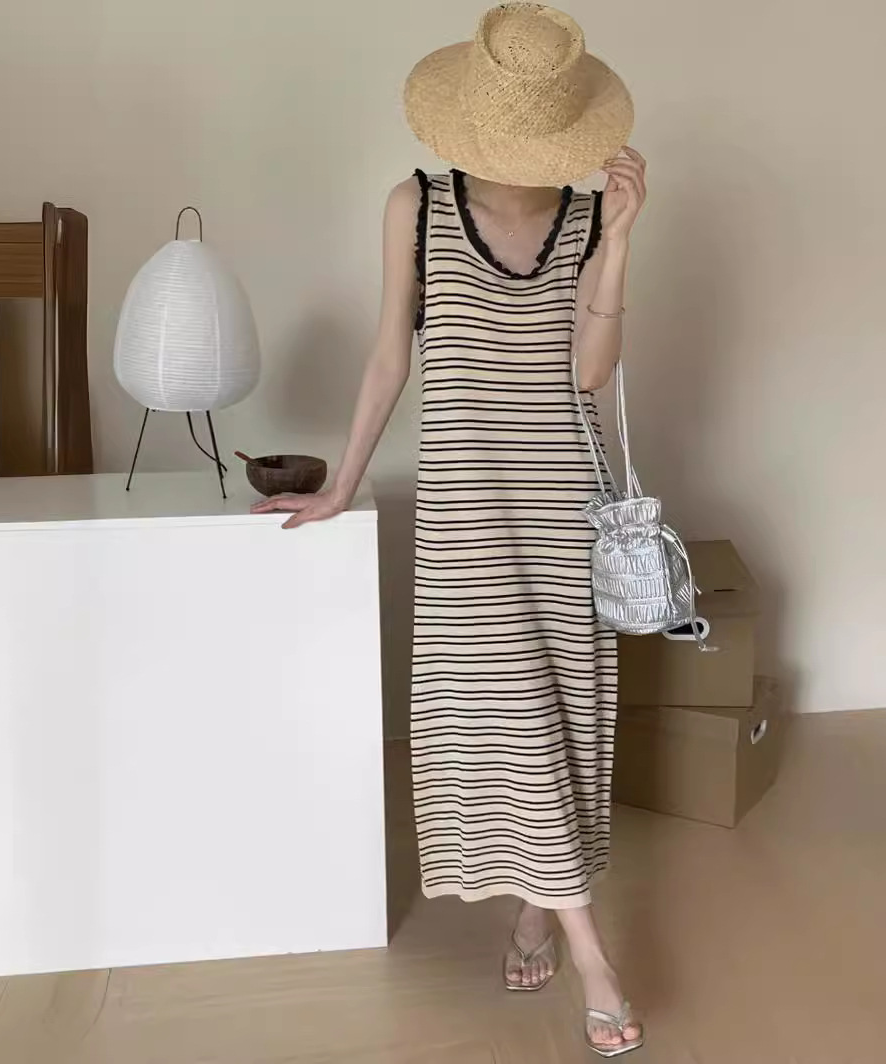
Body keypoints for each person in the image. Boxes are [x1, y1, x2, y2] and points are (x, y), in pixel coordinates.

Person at [253, 4, 647, 1056]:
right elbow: (392, 351)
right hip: (467, 513)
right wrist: (340, 483)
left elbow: (590, 373)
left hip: (562, 502)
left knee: (556, 715)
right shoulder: (416, 206)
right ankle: (594, 957)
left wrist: (616, 242)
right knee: (504, 713)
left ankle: (537, 912)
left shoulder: (584, 218)